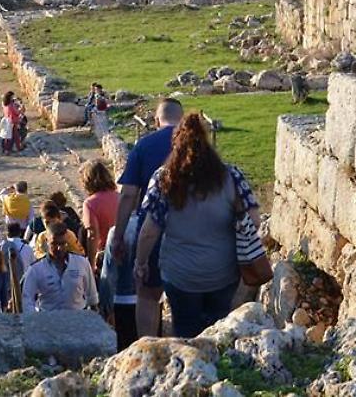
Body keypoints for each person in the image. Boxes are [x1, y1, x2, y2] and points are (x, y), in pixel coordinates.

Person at [134, 113, 260, 338]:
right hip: (223, 272)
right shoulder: (231, 176)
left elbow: (148, 232)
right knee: (217, 330)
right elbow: (255, 220)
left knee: (185, 331)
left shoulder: (164, 179)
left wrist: (141, 262)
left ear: (176, 145)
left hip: (180, 275)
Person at [111, 97, 184, 338]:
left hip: (152, 232)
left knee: (147, 295)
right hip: (192, 230)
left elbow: (128, 195)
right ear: (182, 119)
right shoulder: (196, 146)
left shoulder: (144, 146)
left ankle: (149, 346)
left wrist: (118, 236)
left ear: (156, 120)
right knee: (186, 295)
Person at [22, 222, 99, 312]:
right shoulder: (36, 269)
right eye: (54, 244)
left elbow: (92, 298)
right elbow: (26, 299)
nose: (59, 248)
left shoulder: (81, 263)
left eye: (63, 243)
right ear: (47, 241)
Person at [99, 217, 139, 351]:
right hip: (152, 300)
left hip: (124, 299)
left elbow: (109, 272)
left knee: (126, 350)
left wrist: (106, 305)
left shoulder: (117, 231)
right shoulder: (155, 225)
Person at [80, 160, 120, 256]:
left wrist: (91, 261)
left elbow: (93, 235)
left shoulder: (90, 204)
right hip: (123, 248)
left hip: (105, 251)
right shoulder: (120, 197)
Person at [0, 222, 35, 312]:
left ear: (7, 233)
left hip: (6, 286)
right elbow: (33, 266)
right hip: (25, 286)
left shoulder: (1, 247)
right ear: (20, 233)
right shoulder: (28, 248)